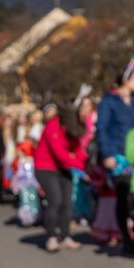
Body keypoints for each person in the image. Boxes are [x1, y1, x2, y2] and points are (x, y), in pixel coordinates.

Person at [96, 63, 134, 253]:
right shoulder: (109, 101)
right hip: (118, 156)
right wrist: (107, 154)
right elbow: (102, 128)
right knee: (124, 198)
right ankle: (126, 238)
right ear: (125, 80)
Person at [32, 102, 88, 252]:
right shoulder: (53, 126)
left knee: (67, 203)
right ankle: (51, 237)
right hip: (45, 168)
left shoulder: (73, 129)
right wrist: (82, 169)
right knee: (55, 201)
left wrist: (85, 164)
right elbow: (61, 154)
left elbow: (77, 150)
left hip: (63, 168)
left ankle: (66, 236)